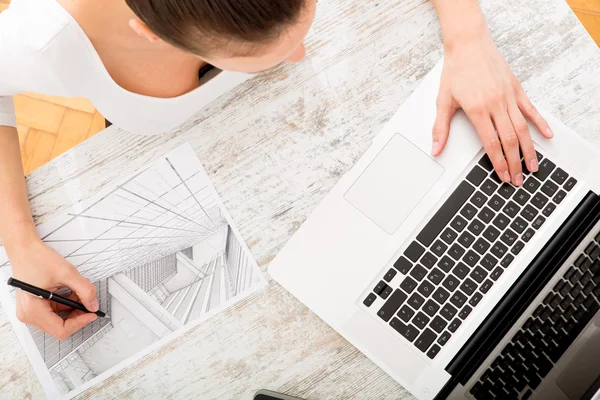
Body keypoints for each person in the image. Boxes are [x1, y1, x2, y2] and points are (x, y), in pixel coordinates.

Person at [0, 0, 553, 339]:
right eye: (259, 53)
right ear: (151, 32)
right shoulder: (41, 42)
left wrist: (468, 36)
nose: (299, 54)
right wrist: (21, 244)